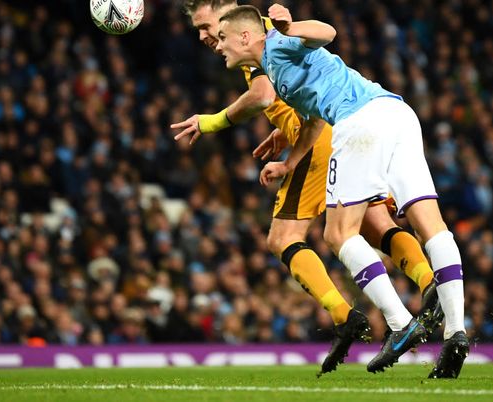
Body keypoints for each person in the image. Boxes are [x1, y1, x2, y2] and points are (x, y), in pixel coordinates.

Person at [172, 0, 443, 375]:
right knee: (375, 223)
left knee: (284, 237)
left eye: (206, 27)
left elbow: (264, 94)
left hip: (325, 139)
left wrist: (212, 122)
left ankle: (347, 315)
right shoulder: (258, 39)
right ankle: (433, 286)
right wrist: (283, 129)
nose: (205, 38)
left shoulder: (260, 41)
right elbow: (296, 97)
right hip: (339, 129)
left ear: (229, 13)